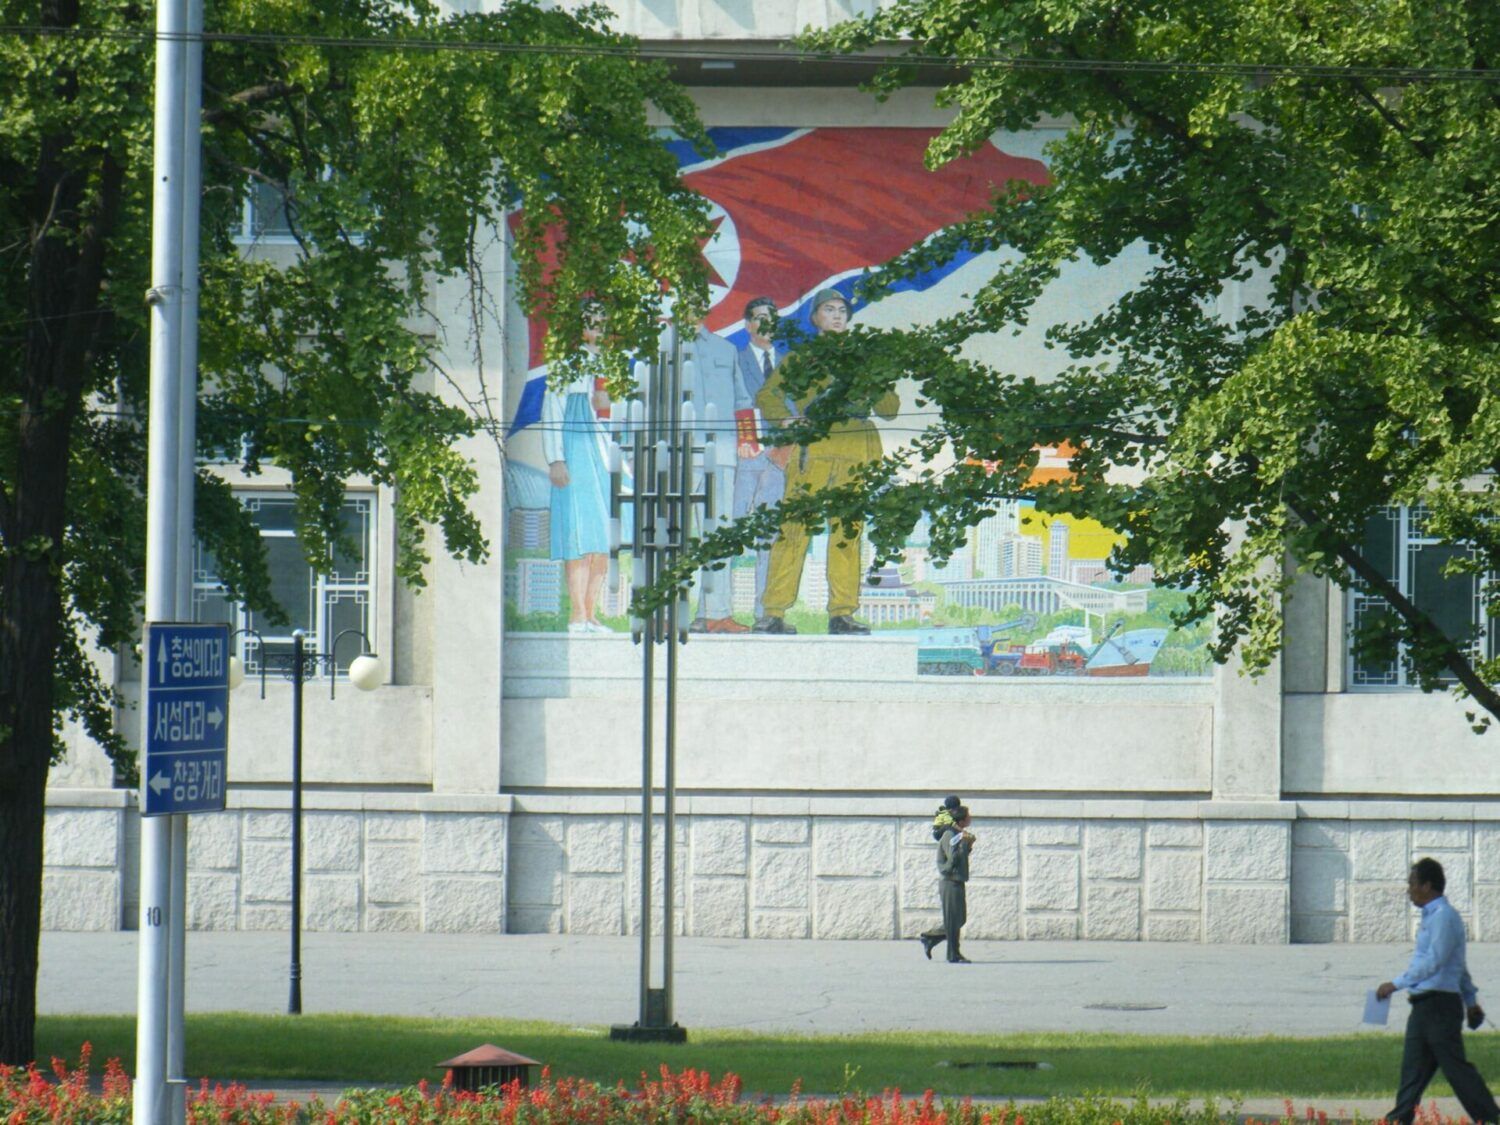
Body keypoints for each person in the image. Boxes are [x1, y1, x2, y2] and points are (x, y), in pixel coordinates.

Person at [753, 288, 898, 635]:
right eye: (829, 310)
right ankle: (773, 612)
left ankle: (842, 614)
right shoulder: (800, 359)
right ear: (815, 317)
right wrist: (786, 421)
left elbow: (890, 410)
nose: (836, 316)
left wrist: (874, 378)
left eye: (842, 311)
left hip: (854, 453)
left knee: (847, 532)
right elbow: (767, 395)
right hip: (812, 452)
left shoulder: (864, 361)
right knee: (793, 529)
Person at [1376, 857, 1499, 1125]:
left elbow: (1435, 961)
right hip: (1424, 1006)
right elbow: (1459, 967)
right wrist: (1471, 1001)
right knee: (1413, 1071)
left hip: (1439, 1007)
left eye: (1412, 884)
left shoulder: (1444, 917)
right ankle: (1398, 1120)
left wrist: (1395, 984)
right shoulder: (1434, 917)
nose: (1409, 890)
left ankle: (1490, 1118)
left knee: (1456, 1070)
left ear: (1427, 885)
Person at [542, 301, 613, 633]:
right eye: (590, 320)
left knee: (601, 536)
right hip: (576, 449)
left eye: (602, 320)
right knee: (578, 535)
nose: (597, 326)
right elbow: (553, 411)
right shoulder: (566, 365)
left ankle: (591, 611)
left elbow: (613, 414)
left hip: (602, 452)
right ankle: (577, 614)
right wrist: (556, 458)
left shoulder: (611, 365)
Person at [687, 322, 749, 634]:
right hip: (672, 456)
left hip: (721, 453)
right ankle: (666, 612)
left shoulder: (725, 349)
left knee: (719, 536)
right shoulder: (655, 347)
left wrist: (748, 440)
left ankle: (715, 614)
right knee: (669, 536)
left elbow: (742, 401)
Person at [731, 297, 789, 623]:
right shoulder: (736, 361)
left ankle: (763, 612)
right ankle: (719, 611)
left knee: (769, 537)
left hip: (778, 458)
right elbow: (734, 403)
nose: (764, 324)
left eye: (770, 318)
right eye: (757, 318)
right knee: (733, 530)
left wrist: (785, 449)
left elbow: (796, 409)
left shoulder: (788, 362)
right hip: (745, 454)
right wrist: (747, 441)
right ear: (747, 325)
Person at [918, 804, 974, 963]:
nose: (971, 819)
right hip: (950, 881)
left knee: (959, 919)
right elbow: (952, 860)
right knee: (952, 920)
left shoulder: (958, 833)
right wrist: (964, 845)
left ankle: (931, 938)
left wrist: (968, 846)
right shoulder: (950, 834)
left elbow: (959, 857)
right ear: (962, 819)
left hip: (958, 880)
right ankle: (953, 954)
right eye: (968, 816)